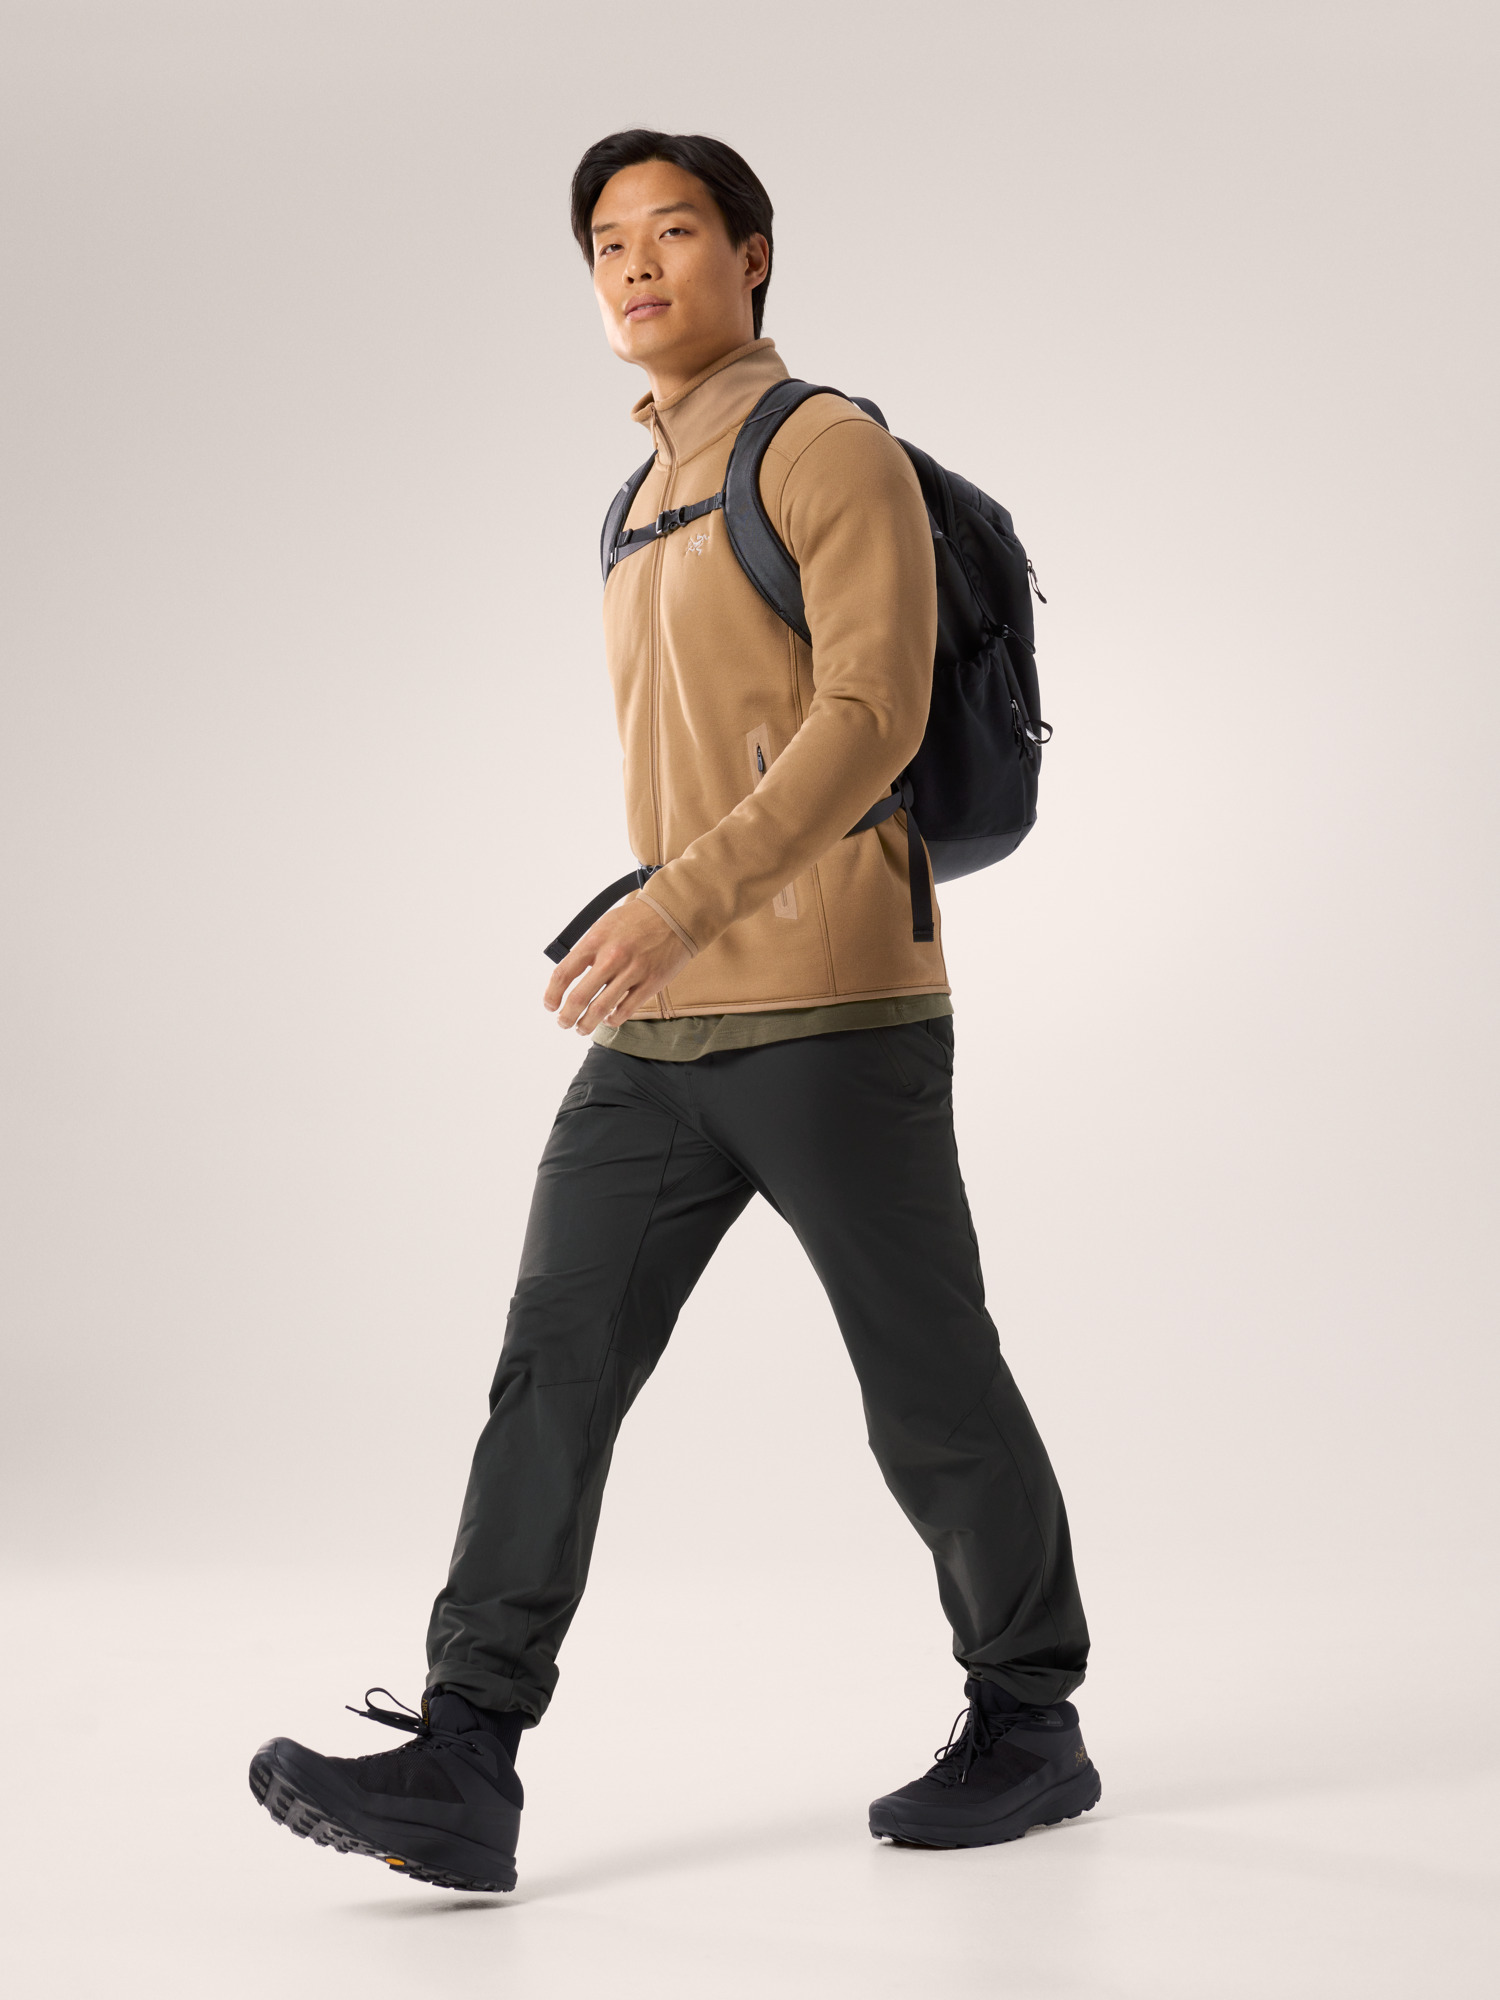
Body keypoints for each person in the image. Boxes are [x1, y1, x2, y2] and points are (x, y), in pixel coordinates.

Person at [249, 129, 1097, 1894]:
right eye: (607, 244)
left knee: (927, 1382)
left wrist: (678, 901)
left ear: (753, 254)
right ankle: (466, 1754)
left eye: (675, 231)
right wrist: (661, 920)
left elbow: (868, 718)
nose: (635, 266)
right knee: (551, 1371)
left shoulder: (824, 447)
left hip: (837, 1013)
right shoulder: (636, 495)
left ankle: (1031, 1720)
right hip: (660, 1032)